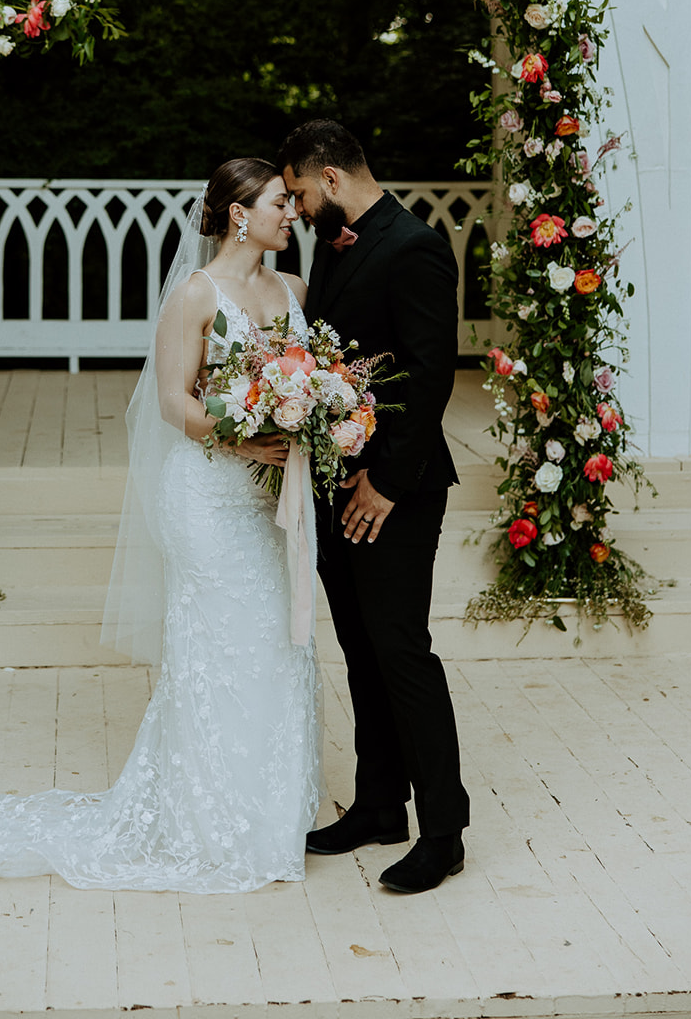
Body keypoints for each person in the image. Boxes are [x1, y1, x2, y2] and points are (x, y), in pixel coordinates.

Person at [0, 158, 322, 892]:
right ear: (239, 212)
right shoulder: (193, 295)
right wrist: (242, 438)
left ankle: (266, 815)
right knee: (218, 647)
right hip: (207, 494)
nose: (291, 212)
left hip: (269, 493)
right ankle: (204, 820)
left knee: (276, 641)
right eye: (279, 201)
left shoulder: (295, 290)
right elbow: (174, 404)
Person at [278, 119, 469, 894]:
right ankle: (379, 806)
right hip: (334, 483)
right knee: (360, 651)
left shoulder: (414, 246)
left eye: (295, 190)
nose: (290, 207)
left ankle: (445, 832)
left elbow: (430, 376)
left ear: (328, 178)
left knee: (401, 651)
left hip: (399, 490)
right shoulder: (332, 244)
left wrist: (385, 483)